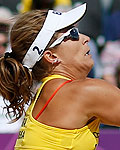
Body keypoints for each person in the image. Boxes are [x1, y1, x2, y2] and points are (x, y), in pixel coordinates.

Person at [0, 3, 120, 150]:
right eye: (73, 33)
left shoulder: (45, 91)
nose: (86, 38)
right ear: (51, 56)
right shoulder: (84, 92)